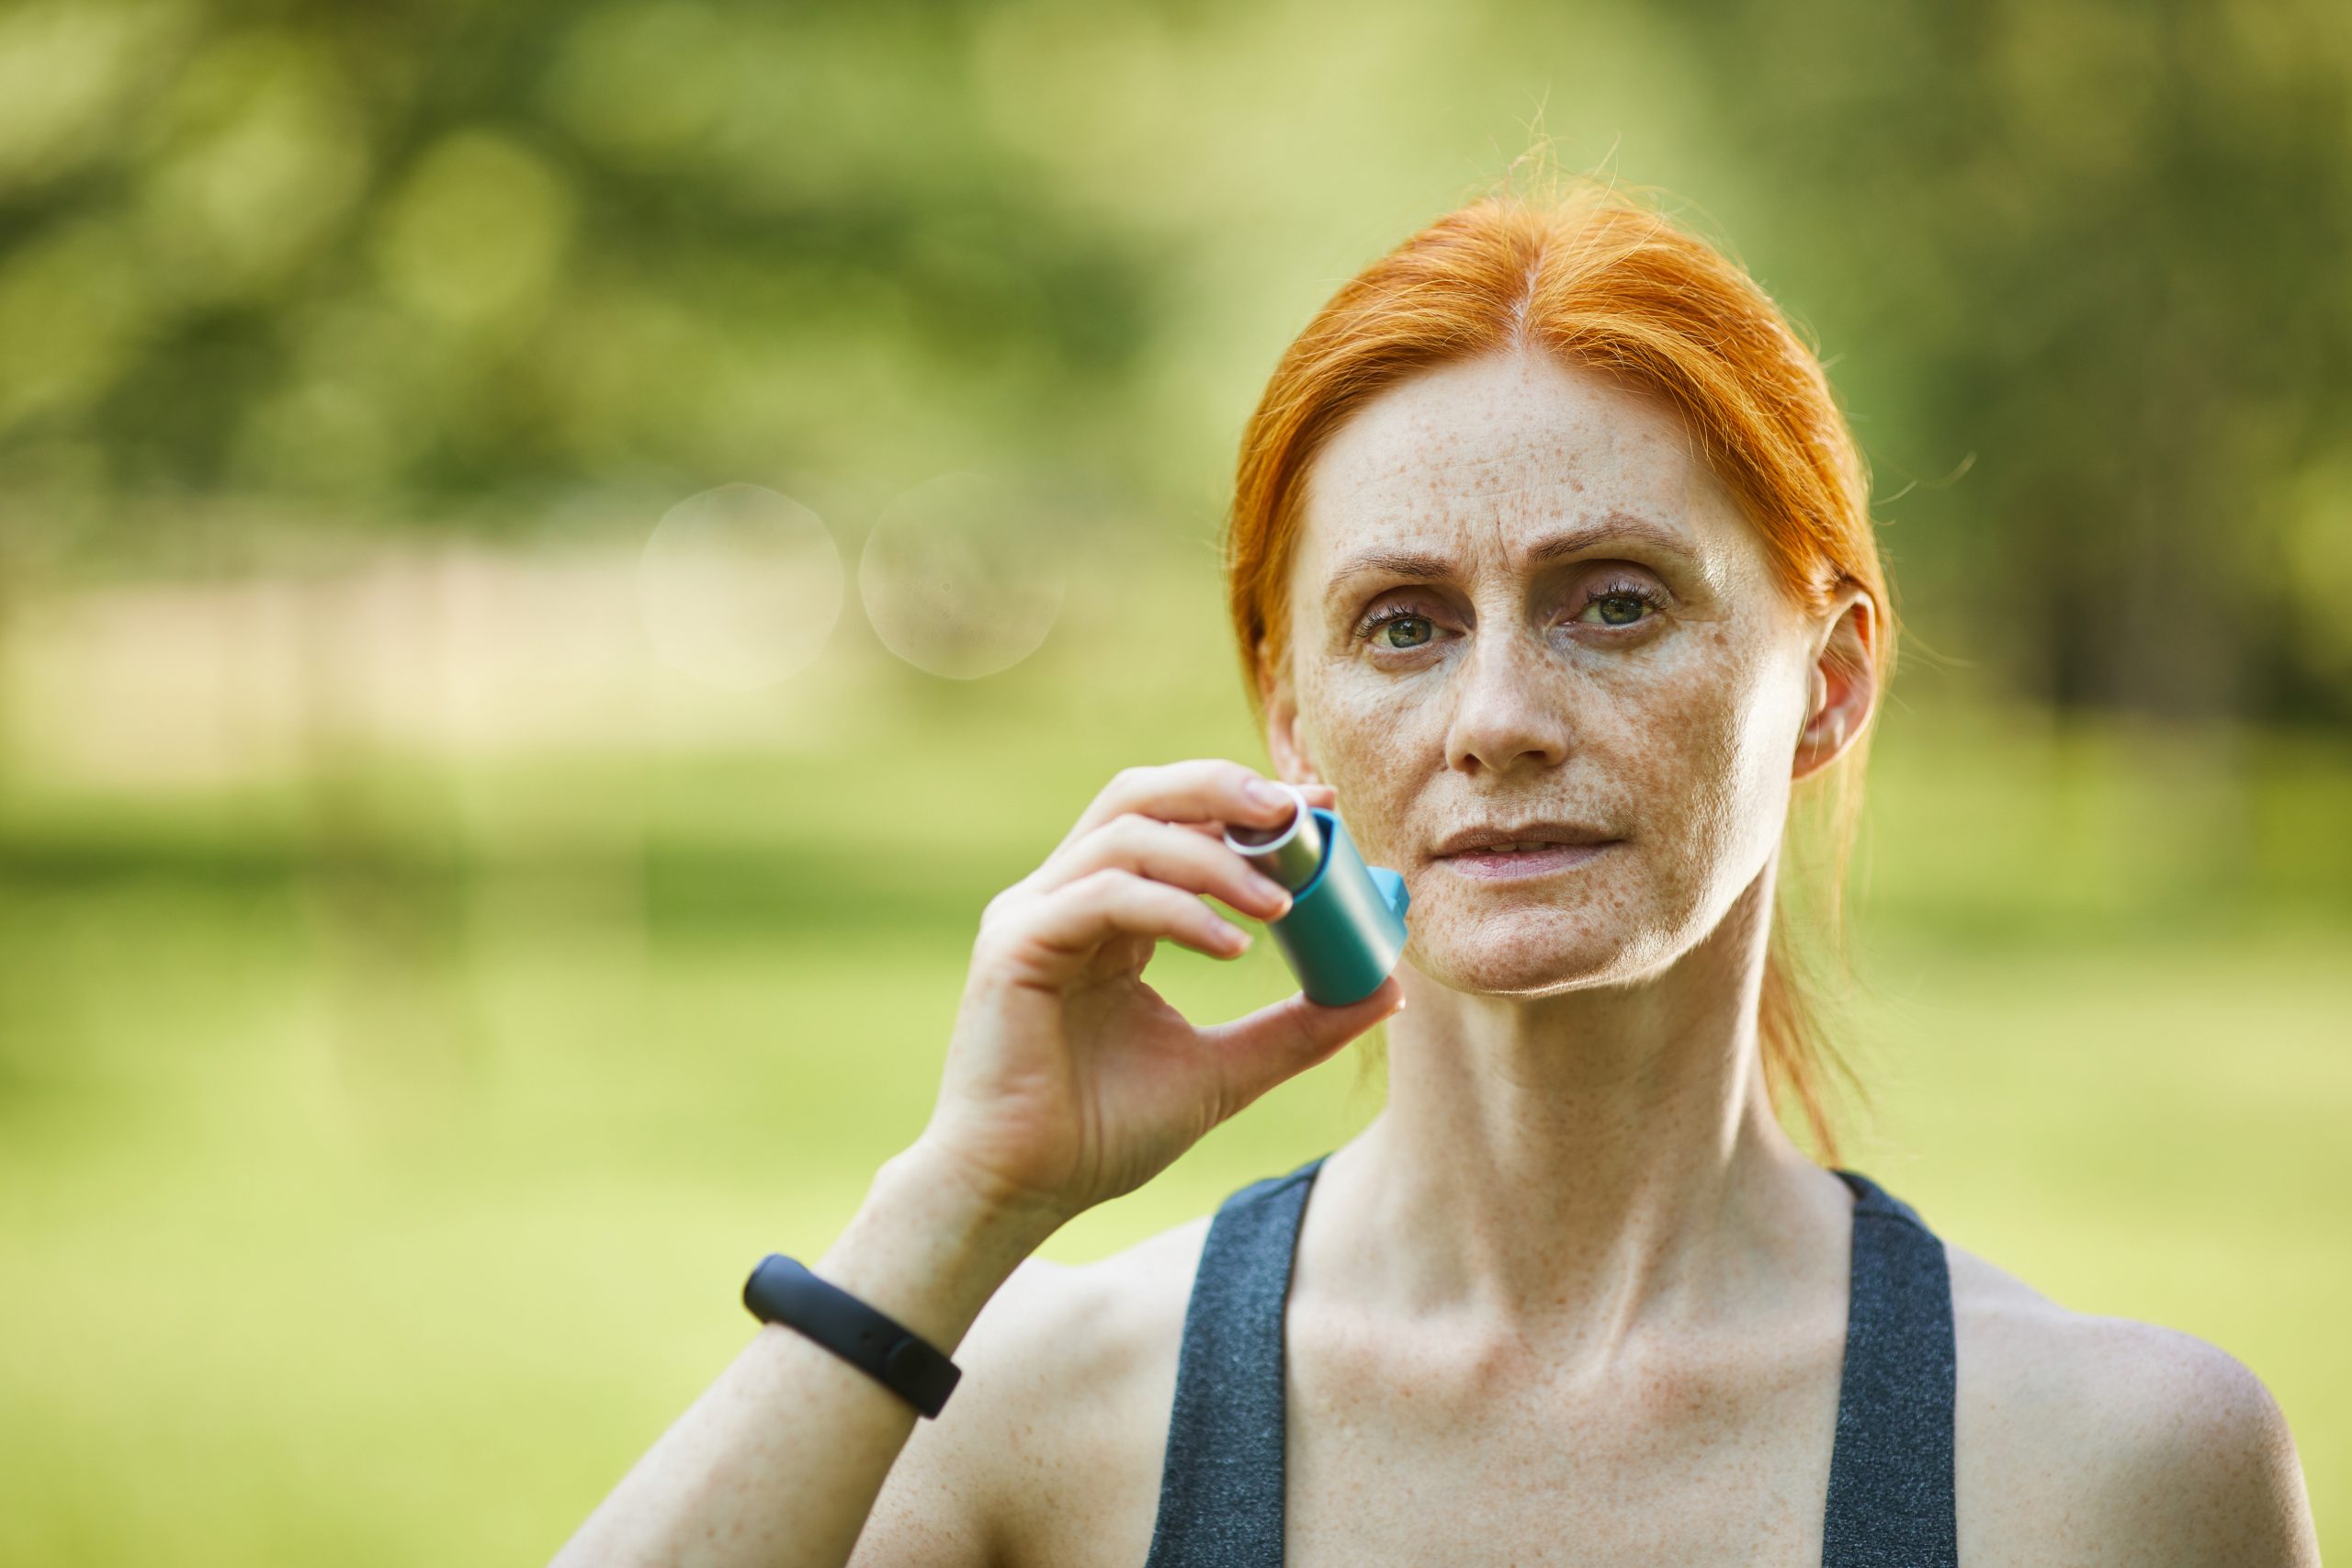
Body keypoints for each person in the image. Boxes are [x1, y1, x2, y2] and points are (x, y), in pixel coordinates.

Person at [550, 179, 2324, 1567]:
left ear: (1830, 682)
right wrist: (951, 1209)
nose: (1495, 719)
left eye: (1612, 603)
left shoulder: (2114, 1472)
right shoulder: (1049, 1407)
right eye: (1403, 626)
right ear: (1291, 716)